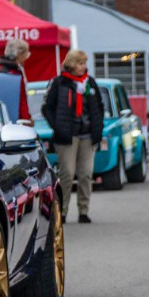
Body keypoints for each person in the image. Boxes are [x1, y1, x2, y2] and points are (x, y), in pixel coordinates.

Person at [42, 50, 105, 223]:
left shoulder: (90, 83)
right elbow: (47, 108)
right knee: (67, 174)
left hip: (87, 135)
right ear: (71, 64)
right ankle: (62, 212)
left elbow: (99, 106)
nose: (83, 67)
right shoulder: (59, 83)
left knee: (85, 174)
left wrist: (98, 128)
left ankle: (83, 211)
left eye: (84, 63)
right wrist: (57, 126)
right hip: (67, 137)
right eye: (80, 63)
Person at [0, 38, 32, 122]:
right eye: (25, 55)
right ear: (19, 55)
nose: (26, 59)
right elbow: (21, 99)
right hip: (15, 120)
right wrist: (26, 119)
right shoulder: (14, 74)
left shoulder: (3, 71)